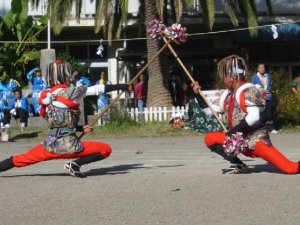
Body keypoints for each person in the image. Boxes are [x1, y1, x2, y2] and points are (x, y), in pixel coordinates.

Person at [0, 60, 132, 178]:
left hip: (50, 145)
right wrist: (121, 86)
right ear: (65, 75)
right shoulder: (71, 92)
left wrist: (80, 128)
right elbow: (97, 89)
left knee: (20, 159)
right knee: (105, 149)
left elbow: (59, 121)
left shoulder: (46, 95)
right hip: (70, 146)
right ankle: (75, 164)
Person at [199, 55, 300, 174]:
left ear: (233, 76)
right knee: (210, 139)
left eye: (225, 76)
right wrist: (197, 94)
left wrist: (232, 133)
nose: (224, 80)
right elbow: (210, 111)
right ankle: (237, 164)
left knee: (290, 168)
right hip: (239, 140)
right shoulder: (228, 94)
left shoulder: (249, 90)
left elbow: (255, 118)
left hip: (256, 141)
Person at [251, 64, 277, 133]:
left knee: (268, 113)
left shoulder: (268, 76)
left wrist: (267, 90)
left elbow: (270, 85)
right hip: (259, 97)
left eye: (263, 67)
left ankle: (270, 128)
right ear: (258, 69)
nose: (262, 69)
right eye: (260, 67)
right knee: (261, 113)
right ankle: (261, 128)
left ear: (264, 68)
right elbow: (252, 87)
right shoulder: (254, 77)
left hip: (267, 96)